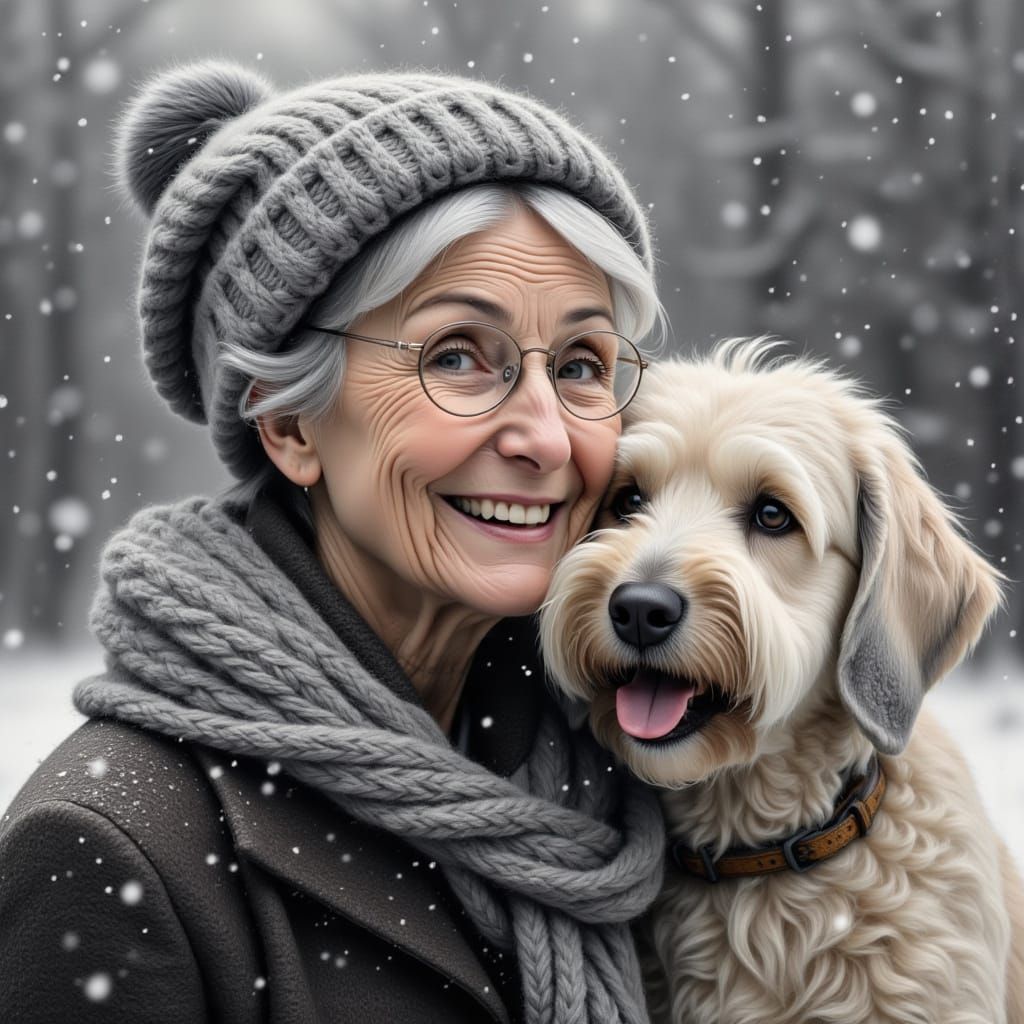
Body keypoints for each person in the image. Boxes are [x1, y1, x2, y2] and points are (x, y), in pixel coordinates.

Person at [0, 62, 666, 1024]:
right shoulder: (112, 852)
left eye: (579, 364)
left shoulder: (633, 774)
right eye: (455, 357)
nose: (547, 435)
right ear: (289, 425)